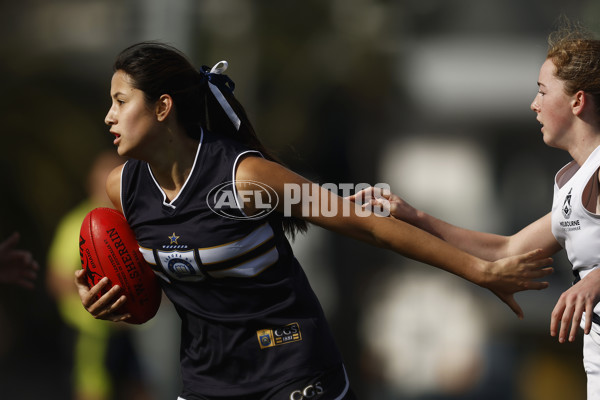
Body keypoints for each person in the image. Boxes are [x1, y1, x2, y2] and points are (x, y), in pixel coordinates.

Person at [73, 41, 553, 400]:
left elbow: (368, 225)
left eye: (120, 100)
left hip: (293, 374)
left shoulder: (246, 177)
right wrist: (101, 294)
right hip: (207, 382)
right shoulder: (124, 187)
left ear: (161, 108)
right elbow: (153, 276)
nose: (108, 116)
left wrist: (481, 271)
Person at [350, 20, 600, 400]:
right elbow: (507, 250)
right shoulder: (571, 180)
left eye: (542, 91)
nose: (533, 104)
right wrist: (414, 216)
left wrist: (595, 280)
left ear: (577, 101)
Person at [47, 151, 152, 400]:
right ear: (92, 181)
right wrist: (99, 302)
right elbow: (57, 280)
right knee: (93, 391)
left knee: (141, 390)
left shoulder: (132, 222)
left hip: (128, 330)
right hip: (91, 334)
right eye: (104, 177)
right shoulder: (77, 223)